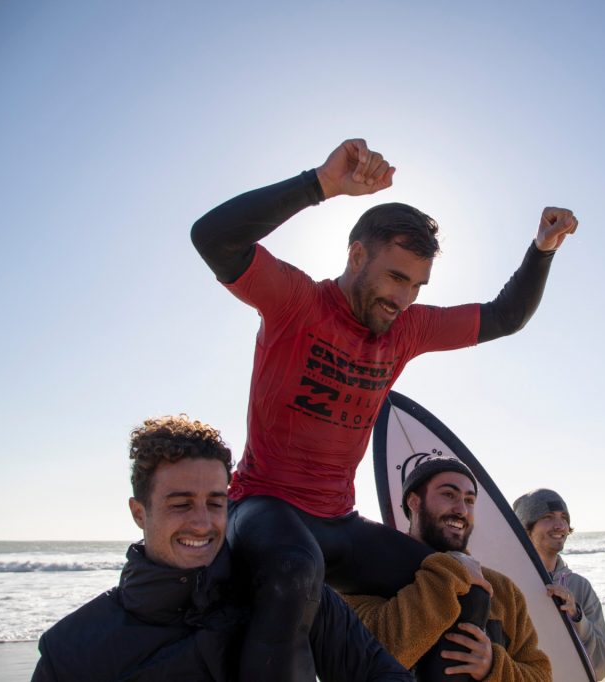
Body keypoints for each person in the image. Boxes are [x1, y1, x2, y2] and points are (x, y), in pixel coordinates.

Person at [191, 138, 578, 679]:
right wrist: (320, 185)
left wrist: (542, 250)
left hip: (340, 521)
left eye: (417, 285)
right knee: (295, 568)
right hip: (265, 508)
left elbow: (505, 316)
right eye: (396, 277)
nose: (404, 299)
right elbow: (211, 236)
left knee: (462, 579)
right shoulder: (296, 302)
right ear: (356, 255)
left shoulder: (407, 329)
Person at [31, 415, 411, 682]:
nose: (202, 523)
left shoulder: (289, 591)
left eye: (215, 503)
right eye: (180, 504)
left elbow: (383, 674)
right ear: (138, 512)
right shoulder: (73, 651)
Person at [346, 457, 552, 682]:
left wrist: (493, 666)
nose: (461, 509)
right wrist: (451, 572)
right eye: (448, 494)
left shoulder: (502, 590)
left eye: (469, 500)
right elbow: (362, 665)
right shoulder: (368, 576)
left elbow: (541, 675)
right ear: (414, 502)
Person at [512, 489, 605, 680]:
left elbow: (602, 667)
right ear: (526, 527)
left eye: (564, 518)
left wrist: (577, 617)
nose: (560, 525)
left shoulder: (580, 587)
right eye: (548, 517)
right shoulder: (508, 584)